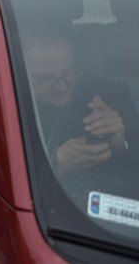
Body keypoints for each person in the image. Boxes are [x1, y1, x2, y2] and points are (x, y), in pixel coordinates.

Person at [24, 34, 139, 199]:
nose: (61, 85)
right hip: (53, 212)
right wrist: (55, 164)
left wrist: (122, 143)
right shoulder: (13, 110)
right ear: (23, 73)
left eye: (67, 73)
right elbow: (5, 178)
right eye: (46, 79)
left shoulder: (112, 94)